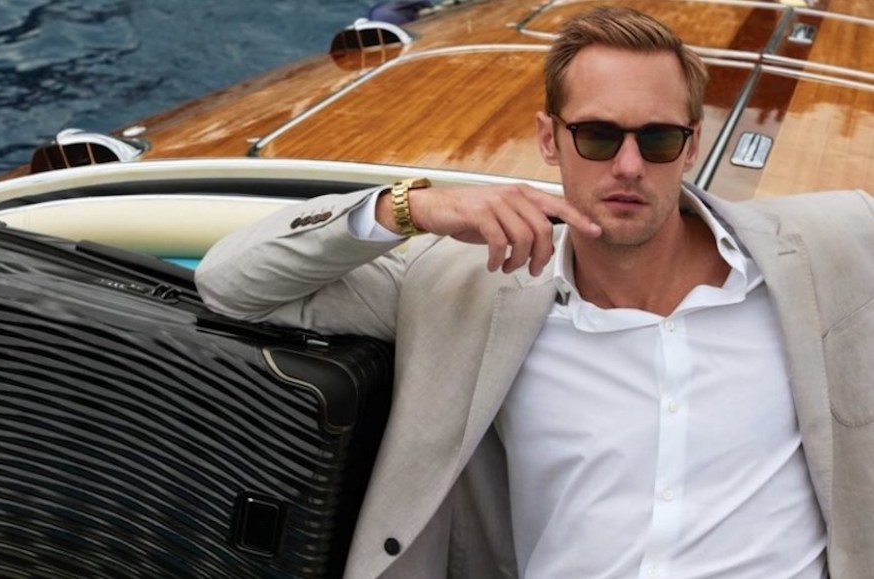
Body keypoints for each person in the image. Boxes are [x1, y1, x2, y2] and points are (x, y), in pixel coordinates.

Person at [196, 6, 873, 579]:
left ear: (692, 146)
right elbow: (232, 284)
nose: (628, 166)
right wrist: (413, 206)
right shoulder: (462, 288)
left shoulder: (834, 247)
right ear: (550, 139)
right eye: (598, 136)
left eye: (659, 139)